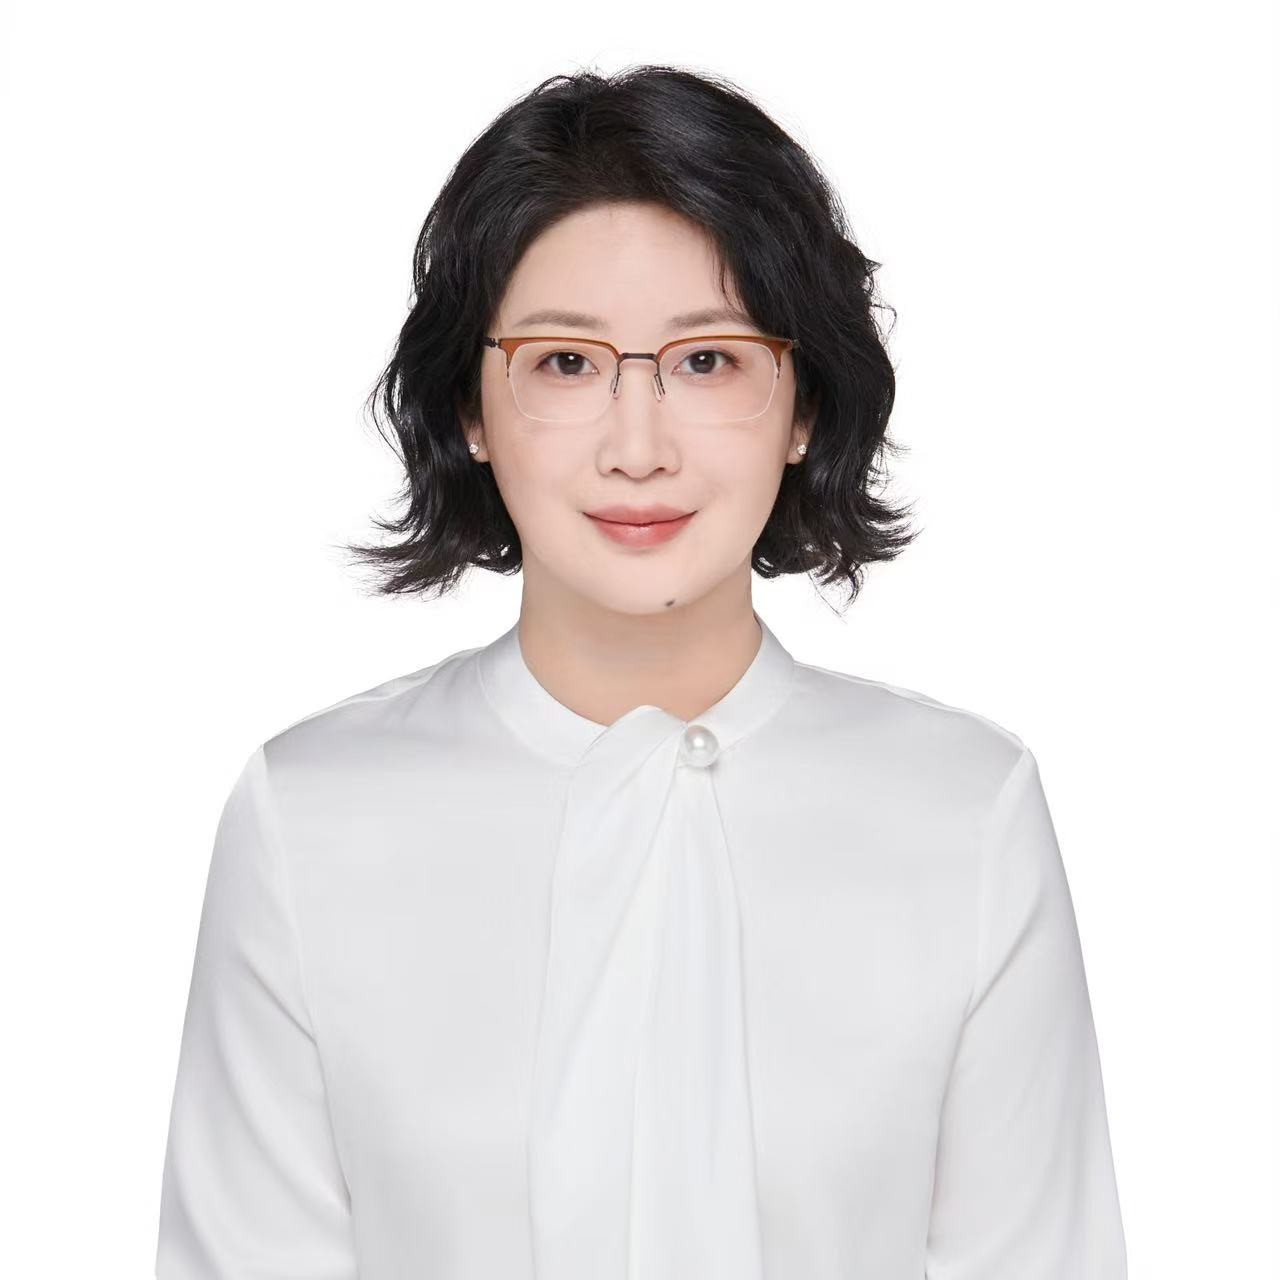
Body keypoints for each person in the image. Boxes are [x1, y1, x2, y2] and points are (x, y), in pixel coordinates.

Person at [155, 65, 1127, 1280]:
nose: (636, 446)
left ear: (802, 406)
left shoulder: (963, 809)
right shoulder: (309, 814)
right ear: (470, 406)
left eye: (706, 360)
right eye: (564, 362)